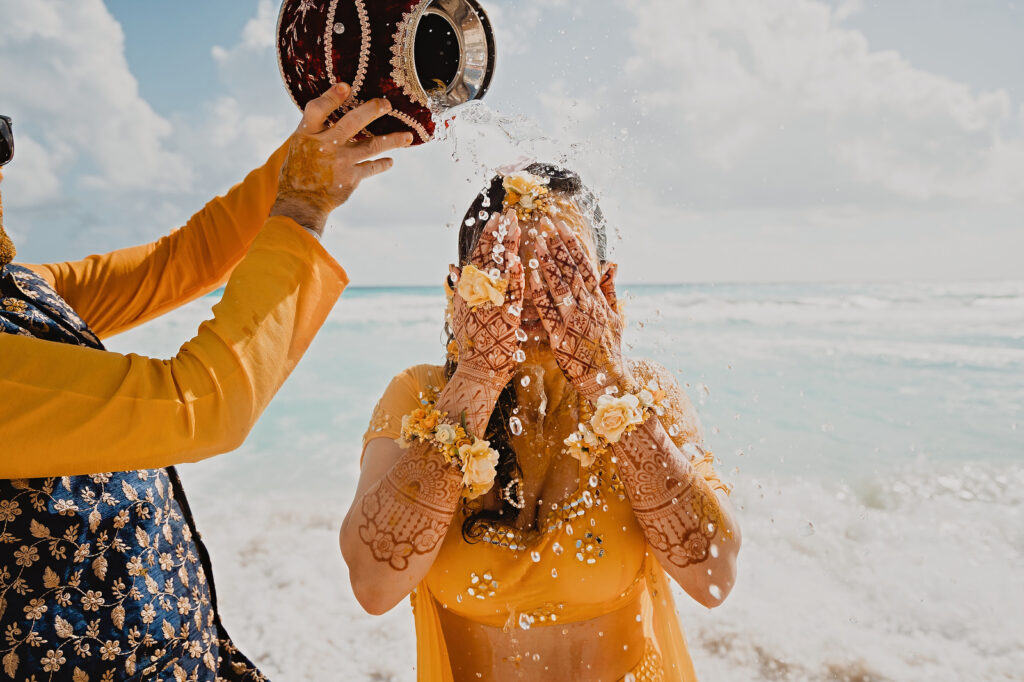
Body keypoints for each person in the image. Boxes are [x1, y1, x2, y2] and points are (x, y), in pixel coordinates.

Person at [0, 82, 412, 680]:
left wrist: (315, 150)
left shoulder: (20, 289)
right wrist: (302, 211)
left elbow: (183, 260)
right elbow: (199, 403)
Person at [340, 164, 743, 681]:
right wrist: (480, 374)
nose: (530, 295)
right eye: (503, 270)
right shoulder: (421, 396)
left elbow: (714, 577)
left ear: (604, 286)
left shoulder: (645, 394)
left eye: (559, 267)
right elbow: (373, 586)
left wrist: (605, 381)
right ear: (459, 287)